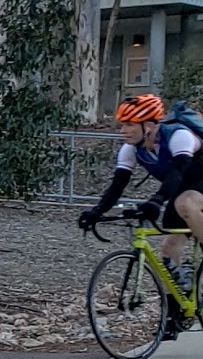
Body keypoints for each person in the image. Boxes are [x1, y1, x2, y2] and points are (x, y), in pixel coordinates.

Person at [79, 93, 203, 253]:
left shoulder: (179, 136)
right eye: (123, 125)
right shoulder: (131, 149)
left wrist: (157, 200)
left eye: (130, 124)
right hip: (184, 190)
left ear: (149, 125)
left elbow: (177, 171)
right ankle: (181, 277)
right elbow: (117, 185)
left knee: (185, 203)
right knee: (168, 249)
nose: (123, 130)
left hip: (190, 191)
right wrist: (97, 211)